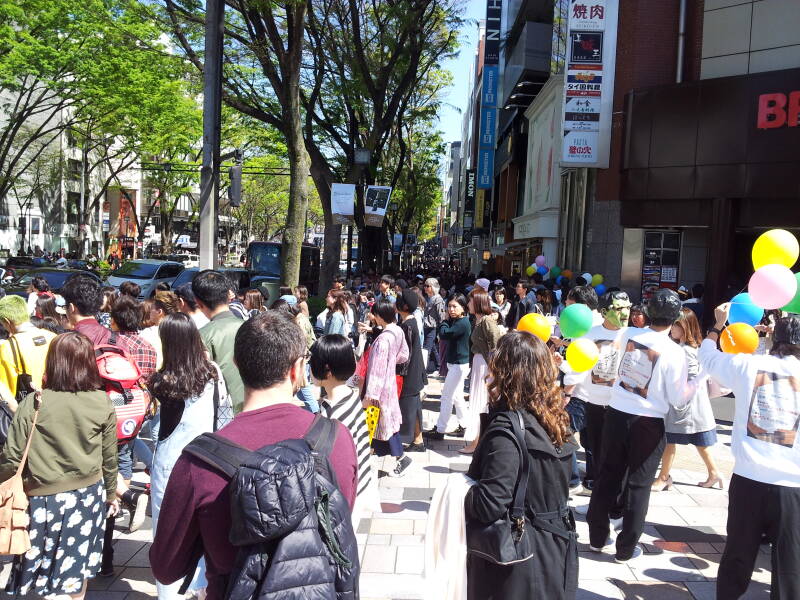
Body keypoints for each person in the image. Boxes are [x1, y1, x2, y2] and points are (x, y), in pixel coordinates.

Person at [150, 311, 358, 599]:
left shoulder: (199, 461)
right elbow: (340, 520)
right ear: (297, 369)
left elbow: (166, 567)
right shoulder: (336, 439)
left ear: (236, 365)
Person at [0, 332, 117, 599]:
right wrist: (111, 495)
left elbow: (12, 456)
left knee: (43, 565)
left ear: (52, 362)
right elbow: (109, 457)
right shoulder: (101, 401)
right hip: (87, 496)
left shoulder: (35, 402)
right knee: (78, 567)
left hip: (42, 499)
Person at [465, 330, 578, 599]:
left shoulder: (508, 429)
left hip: (517, 559)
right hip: (557, 548)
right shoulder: (556, 419)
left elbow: (489, 503)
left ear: (506, 373)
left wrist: (457, 491)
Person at [699, 308, 800, 599]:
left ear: (772, 337)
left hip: (748, 478)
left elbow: (707, 358)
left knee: (738, 553)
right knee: (789, 562)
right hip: (792, 485)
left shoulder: (748, 365)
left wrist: (717, 326)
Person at [586, 289, 691, 562]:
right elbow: (679, 398)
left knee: (607, 475)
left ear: (647, 312)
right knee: (639, 484)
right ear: (676, 317)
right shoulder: (674, 352)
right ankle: (625, 548)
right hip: (649, 421)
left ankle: (597, 537)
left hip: (617, 412)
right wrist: (697, 383)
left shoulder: (629, 334)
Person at [149, 313, 231, 600]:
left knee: (168, 532)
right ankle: (201, 588)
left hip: (170, 465)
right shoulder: (212, 372)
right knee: (204, 529)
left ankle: (169, 592)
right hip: (208, 458)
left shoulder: (162, 381)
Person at [561, 291, 631, 499]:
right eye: (619, 308)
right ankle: (597, 485)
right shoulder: (588, 334)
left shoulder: (631, 335)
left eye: (627, 308)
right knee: (593, 446)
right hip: (590, 401)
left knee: (615, 451)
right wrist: (566, 381)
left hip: (619, 403)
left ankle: (608, 489)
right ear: (605, 311)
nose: (625, 313)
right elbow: (578, 366)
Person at [652, 308, 722, 491]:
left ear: (684, 326)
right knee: (698, 441)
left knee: (670, 440)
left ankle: (663, 478)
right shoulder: (691, 348)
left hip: (683, 404)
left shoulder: (685, 350)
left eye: (675, 324)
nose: (672, 328)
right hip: (690, 404)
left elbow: (689, 378)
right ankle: (713, 473)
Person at [311, 334, 378, 523]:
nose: (310, 367)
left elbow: (337, 466)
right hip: (362, 484)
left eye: (312, 362)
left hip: (347, 499)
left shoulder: (334, 413)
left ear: (327, 370)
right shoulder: (349, 395)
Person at [363, 299, 411, 476]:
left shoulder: (383, 340)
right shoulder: (397, 330)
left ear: (379, 316)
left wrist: (371, 394)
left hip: (380, 389)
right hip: (390, 382)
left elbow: (376, 369)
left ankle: (400, 458)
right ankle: (372, 457)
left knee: (382, 424)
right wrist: (392, 362)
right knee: (383, 424)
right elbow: (404, 355)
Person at [192, 270, 245, 413]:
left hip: (221, 412)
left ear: (198, 302)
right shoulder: (251, 327)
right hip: (252, 407)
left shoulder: (202, 335)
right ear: (229, 295)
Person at [461, 287, 503, 455]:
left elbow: (496, 345)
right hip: (480, 364)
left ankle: (476, 442)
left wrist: (493, 369)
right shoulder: (478, 320)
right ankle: (476, 441)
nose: (468, 304)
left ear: (477, 302)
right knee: (478, 403)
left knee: (480, 404)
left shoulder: (486, 321)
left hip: (486, 366)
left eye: (470, 300)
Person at [425, 293, 471, 440]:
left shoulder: (462, 323)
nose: (451, 309)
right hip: (456, 364)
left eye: (454, 306)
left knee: (446, 397)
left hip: (459, 365)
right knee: (457, 397)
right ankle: (464, 425)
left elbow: (444, 334)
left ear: (463, 308)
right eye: (449, 306)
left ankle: (440, 430)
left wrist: (444, 321)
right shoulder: (458, 321)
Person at [0, 295, 56, 410]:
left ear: (7, 321)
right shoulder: (53, 337)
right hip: (56, 405)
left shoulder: (8, 347)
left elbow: (7, 394)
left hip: (29, 410)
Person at [395, 290, 427, 453]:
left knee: (411, 407)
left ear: (404, 306)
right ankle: (418, 440)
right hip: (415, 371)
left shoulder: (407, 325)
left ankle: (416, 440)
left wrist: (398, 372)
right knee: (415, 407)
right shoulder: (410, 322)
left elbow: (404, 354)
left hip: (409, 374)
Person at [422, 278, 446, 373]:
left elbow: (442, 316)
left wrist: (441, 331)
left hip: (432, 327)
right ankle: (438, 366)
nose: (425, 288)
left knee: (426, 350)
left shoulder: (438, 299)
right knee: (432, 348)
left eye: (427, 286)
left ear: (433, 287)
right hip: (427, 326)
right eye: (425, 285)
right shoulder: (430, 297)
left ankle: (422, 371)